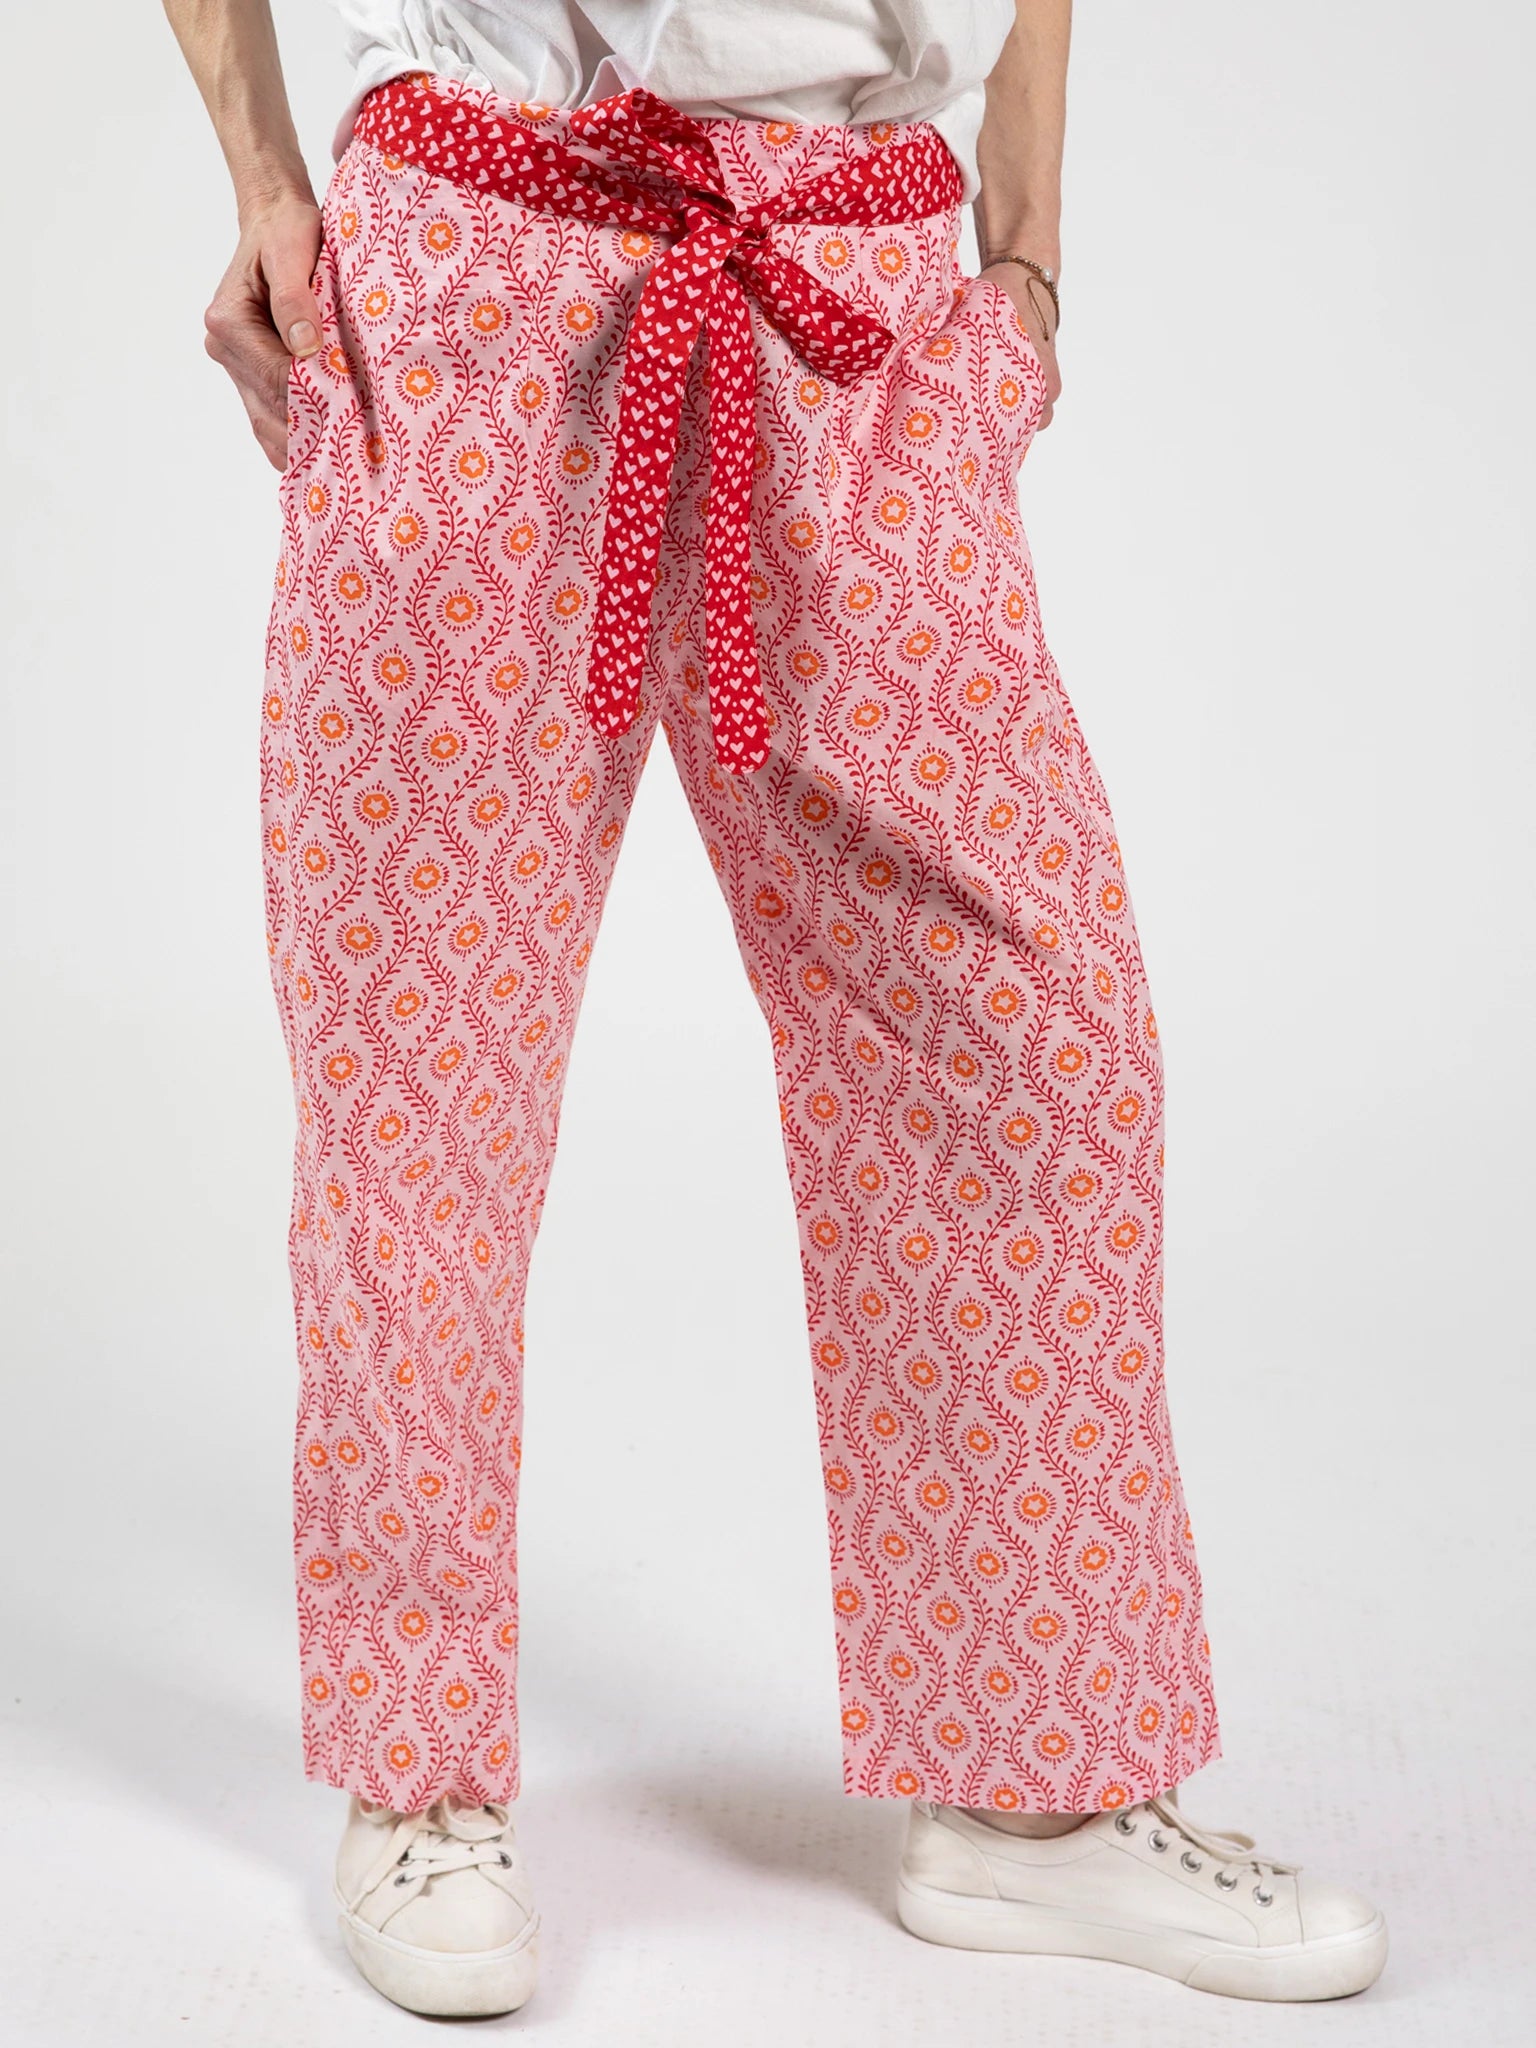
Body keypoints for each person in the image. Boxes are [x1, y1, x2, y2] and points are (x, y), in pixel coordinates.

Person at [163, 0, 1387, 2017]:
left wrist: (1024, 243)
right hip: (481, 249)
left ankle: (1034, 1792)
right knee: (423, 1073)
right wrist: (267, 176)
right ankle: (420, 1774)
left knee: (1028, 1036)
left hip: (861, 277)